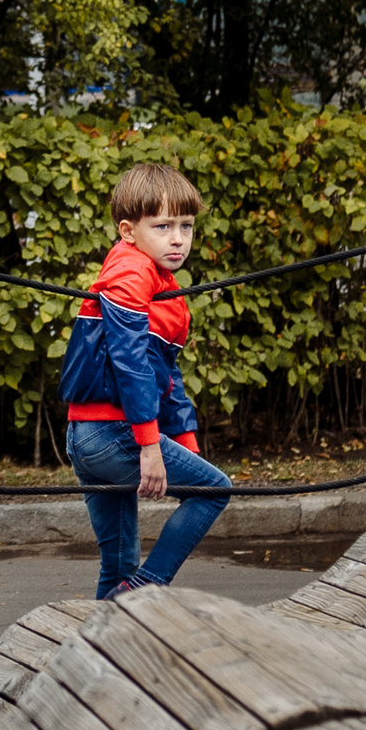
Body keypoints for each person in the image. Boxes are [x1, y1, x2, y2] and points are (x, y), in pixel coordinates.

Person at [58, 162, 233, 598]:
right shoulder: (132, 273)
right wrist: (151, 446)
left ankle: (101, 655)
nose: (177, 238)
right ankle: (147, 588)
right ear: (128, 230)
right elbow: (130, 363)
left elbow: (167, 372)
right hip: (112, 432)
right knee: (214, 491)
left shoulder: (159, 281)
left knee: (117, 564)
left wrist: (186, 445)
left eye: (186, 226)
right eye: (162, 226)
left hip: (85, 433)